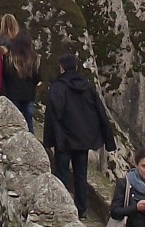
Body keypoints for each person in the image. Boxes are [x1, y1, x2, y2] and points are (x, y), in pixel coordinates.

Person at [42, 53, 115, 217]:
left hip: (64, 138)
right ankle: (82, 209)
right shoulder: (87, 86)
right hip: (82, 138)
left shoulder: (58, 87)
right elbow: (100, 112)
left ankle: (62, 207)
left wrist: (49, 140)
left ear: (61, 68)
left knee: (61, 174)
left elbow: (52, 114)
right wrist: (107, 139)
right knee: (81, 175)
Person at [0, 15, 39, 130]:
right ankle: (31, 143)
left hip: (13, 93)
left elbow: (5, 73)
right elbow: (37, 76)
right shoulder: (33, 58)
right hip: (28, 94)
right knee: (28, 121)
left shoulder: (9, 55)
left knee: (14, 123)